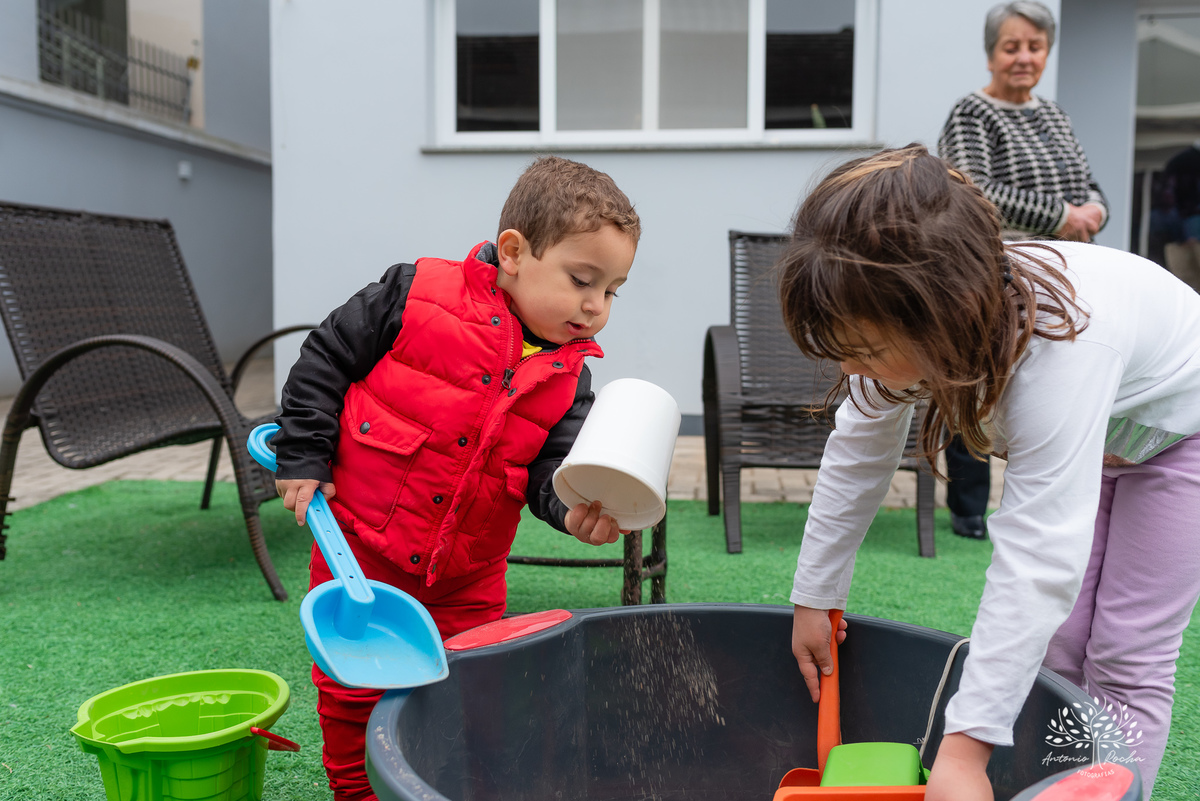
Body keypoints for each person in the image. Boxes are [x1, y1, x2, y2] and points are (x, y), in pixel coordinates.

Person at [780, 145, 1200, 800]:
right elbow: (858, 448)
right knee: (1058, 646)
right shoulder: (902, 320)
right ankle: (1057, 777)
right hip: (1100, 436)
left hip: (1181, 438)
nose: (853, 370)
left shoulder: (1062, 352)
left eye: (864, 350)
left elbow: (1036, 559)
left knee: (1124, 654)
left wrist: (964, 747)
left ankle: (1119, 788)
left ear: (943, 315)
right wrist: (817, 591)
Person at [270, 155, 640, 801]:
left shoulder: (569, 376)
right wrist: (304, 453)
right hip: (361, 552)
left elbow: (550, 469)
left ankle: (438, 782)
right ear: (515, 251)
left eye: (612, 290)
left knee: (468, 686)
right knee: (352, 688)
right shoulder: (414, 293)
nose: (595, 305)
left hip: (470, 573)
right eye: (582, 279)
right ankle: (355, 791)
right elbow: (324, 358)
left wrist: (571, 508)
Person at [937, 1, 1110, 540]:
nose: (1023, 57)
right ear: (992, 54)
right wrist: (1064, 215)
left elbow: (1086, 182)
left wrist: (1097, 208)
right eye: (1011, 47)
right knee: (983, 379)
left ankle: (1043, 501)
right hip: (995, 271)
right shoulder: (972, 112)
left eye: (1034, 47)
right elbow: (973, 190)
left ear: (1046, 53)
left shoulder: (1053, 114)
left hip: (1062, 271)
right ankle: (968, 509)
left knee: (1053, 384)